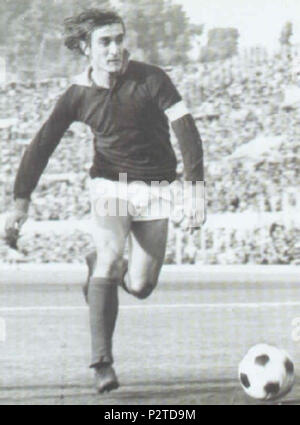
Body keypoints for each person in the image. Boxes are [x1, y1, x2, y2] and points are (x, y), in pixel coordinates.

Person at [5, 9, 205, 393]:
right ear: (86, 49)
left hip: (157, 188)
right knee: (113, 255)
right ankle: (102, 363)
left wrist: (194, 188)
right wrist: (20, 202)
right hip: (111, 186)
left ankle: (99, 266)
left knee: (142, 285)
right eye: (104, 42)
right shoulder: (77, 95)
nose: (115, 48)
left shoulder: (151, 78)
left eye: (118, 39)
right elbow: (41, 145)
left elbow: (186, 129)